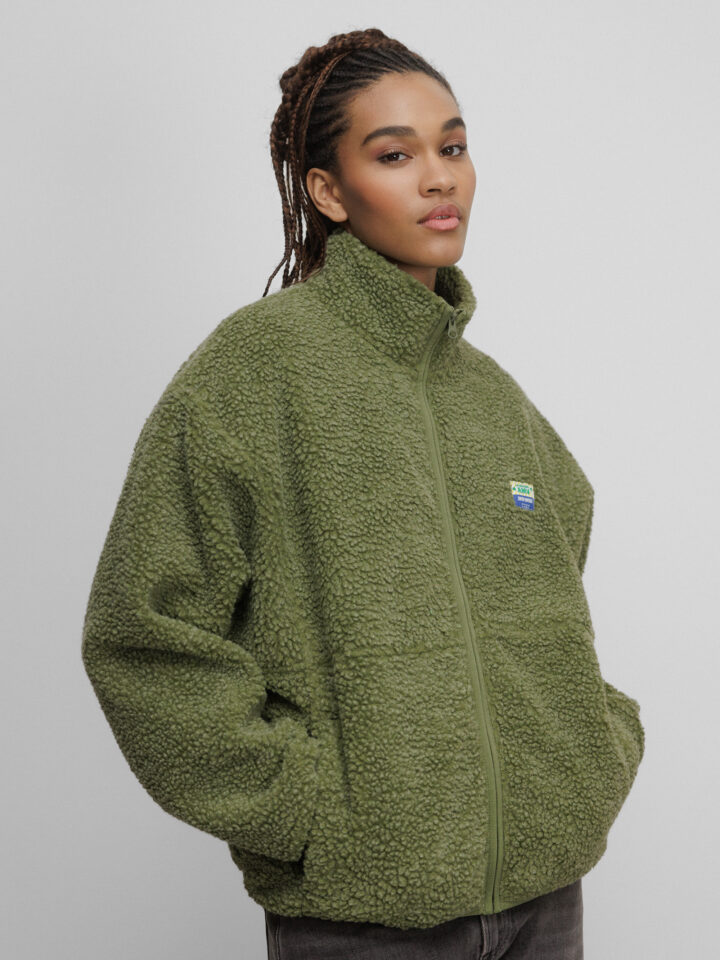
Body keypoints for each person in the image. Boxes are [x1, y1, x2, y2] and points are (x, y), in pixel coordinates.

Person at [81, 27, 645, 960]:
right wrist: (309, 811)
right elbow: (142, 634)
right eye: (395, 155)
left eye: (452, 146)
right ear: (328, 192)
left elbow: (557, 605)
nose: (439, 178)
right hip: (363, 916)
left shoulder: (495, 401)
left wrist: (591, 754)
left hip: (546, 902)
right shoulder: (255, 371)